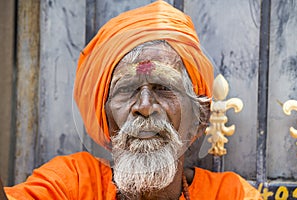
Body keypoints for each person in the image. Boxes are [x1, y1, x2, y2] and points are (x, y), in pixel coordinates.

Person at [3, 1, 262, 199]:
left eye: (163, 87)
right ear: (104, 115)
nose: (145, 106)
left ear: (199, 118)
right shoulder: (71, 184)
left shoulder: (231, 194)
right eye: (127, 89)